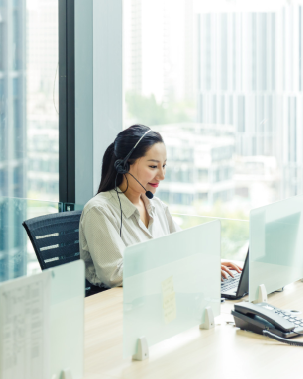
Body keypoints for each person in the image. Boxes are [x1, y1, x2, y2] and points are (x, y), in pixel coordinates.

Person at [79, 124, 241, 289]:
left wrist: (209, 261)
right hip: (118, 303)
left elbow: (184, 249)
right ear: (124, 166)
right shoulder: (99, 211)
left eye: (163, 166)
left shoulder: (156, 206)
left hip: (161, 293)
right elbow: (115, 275)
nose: (162, 176)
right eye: (153, 166)